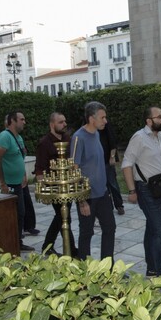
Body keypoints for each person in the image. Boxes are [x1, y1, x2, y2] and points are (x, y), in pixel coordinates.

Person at [122, 106, 161, 290]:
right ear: (149, 121)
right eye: (159, 117)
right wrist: (132, 191)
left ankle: (152, 268)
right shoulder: (139, 138)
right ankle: (160, 276)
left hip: (160, 189)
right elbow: (126, 164)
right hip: (145, 189)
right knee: (158, 230)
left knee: (152, 228)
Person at [72, 102, 116, 260]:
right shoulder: (78, 137)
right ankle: (85, 270)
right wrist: (82, 201)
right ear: (92, 118)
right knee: (86, 232)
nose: (106, 121)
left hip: (102, 193)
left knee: (110, 228)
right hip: (87, 196)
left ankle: (107, 268)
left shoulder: (97, 134)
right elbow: (74, 169)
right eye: (102, 117)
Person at [0, 111, 34, 252]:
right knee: (5, 215)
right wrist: (2, 183)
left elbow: (20, 157)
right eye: (22, 119)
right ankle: (3, 243)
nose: (24, 122)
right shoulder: (4, 137)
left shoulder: (18, 137)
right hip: (4, 184)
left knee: (19, 213)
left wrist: (23, 175)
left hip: (16, 182)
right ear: (12, 121)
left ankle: (16, 242)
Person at [35, 112, 77, 257]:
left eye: (65, 121)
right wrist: (44, 190)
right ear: (52, 125)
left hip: (67, 183)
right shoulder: (45, 143)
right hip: (53, 185)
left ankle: (47, 246)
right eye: (61, 122)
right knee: (63, 217)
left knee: (61, 217)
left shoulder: (68, 139)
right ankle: (71, 249)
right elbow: (39, 168)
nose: (64, 124)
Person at [99, 122, 125, 215]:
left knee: (112, 183)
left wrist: (112, 156)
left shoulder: (105, 124)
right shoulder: (87, 124)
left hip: (107, 159)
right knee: (103, 185)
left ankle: (119, 205)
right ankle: (108, 206)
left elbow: (112, 141)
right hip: (97, 161)